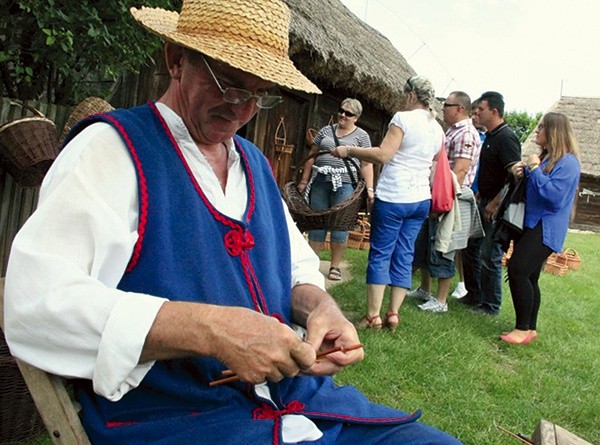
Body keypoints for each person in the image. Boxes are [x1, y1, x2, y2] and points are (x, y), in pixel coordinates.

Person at [3, 1, 461, 444]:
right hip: (180, 421)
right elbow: (35, 304)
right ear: (176, 59)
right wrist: (210, 329)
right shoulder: (110, 150)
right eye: (228, 84)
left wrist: (320, 308)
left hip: (302, 404)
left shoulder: (254, 164)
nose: (242, 108)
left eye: (258, 94)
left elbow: (297, 267)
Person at [331, 76, 444, 330]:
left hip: (395, 196)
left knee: (381, 254)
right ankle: (393, 313)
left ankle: (373, 317)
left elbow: (383, 154)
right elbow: (433, 164)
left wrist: (350, 151)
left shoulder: (402, 119)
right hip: (420, 200)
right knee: (404, 254)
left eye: (405, 94)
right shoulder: (437, 128)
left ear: (412, 95)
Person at [501, 112, 581, 344]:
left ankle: (521, 329)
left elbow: (553, 196)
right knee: (531, 276)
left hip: (546, 228)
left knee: (518, 270)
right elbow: (535, 189)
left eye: (542, 127)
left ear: (554, 132)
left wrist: (535, 170)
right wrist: (523, 173)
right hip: (534, 224)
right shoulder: (548, 159)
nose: (537, 131)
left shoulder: (568, 162)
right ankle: (530, 328)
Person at [408, 91, 482, 313]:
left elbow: (459, 170)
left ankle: (441, 301)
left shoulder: (466, 133)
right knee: (426, 243)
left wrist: (442, 200)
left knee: (443, 246)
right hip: (440, 194)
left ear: (459, 108)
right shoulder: (453, 131)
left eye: (446, 105)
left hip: (450, 197)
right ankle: (425, 289)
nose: (442, 108)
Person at [297, 98, 374, 281]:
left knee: (341, 225)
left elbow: (366, 164)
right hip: (320, 181)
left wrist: (370, 189)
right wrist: (304, 180)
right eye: (341, 110)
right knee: (317, 223)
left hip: (345, 184)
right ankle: (312, 265)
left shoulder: (362, 136)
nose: (343, 115)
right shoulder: (325, 131)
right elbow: (311, 156)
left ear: (357, 117)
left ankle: (335, 266)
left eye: (348, 113)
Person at [461, 91, 521, 315]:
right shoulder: (491, 136)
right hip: (482, 200)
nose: (476, 112)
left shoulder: (506, 138)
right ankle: (474, 295)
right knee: (471, 250)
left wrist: (495, 203)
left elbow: (513, 177)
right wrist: (480, 194)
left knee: (489, 255)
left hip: (495, 207)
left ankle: (491, 305)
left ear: (494, 111)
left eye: (481, 110)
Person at [451, 100, 487, 299]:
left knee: (465, 244)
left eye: (479, 112)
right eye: (474, 112)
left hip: (471, 193)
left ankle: (465, 283)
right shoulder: (474, 134)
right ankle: (462, 282)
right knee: (458, 245)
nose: (475, 116)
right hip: (468, 191)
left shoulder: (478, 137)